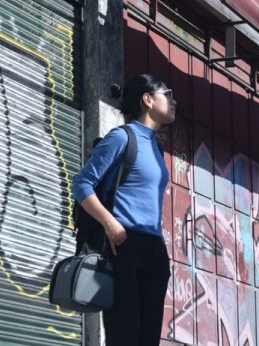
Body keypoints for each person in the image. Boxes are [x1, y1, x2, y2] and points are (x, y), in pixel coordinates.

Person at [71, 73, 174, 346]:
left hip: (154, 250)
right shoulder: (122, 137)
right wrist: (109, 222)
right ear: (147, 100)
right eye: (168, 94)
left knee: (148, 339)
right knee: (124, 337)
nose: (174, 101)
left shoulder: (156, 147)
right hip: (124, 244)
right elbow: (82, 184)